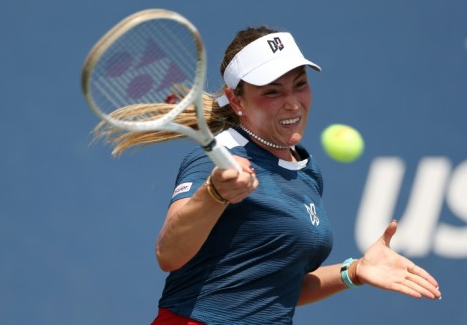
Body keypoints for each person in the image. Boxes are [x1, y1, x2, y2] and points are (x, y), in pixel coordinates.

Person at [95, 26, 442, 324]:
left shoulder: (307, 171)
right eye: (272, 91)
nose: (292, 102)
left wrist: (353, 271)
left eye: (300, 84)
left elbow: (279, 289)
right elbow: (167, 254)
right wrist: (214, 194)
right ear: (237, 100)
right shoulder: (216, 161)